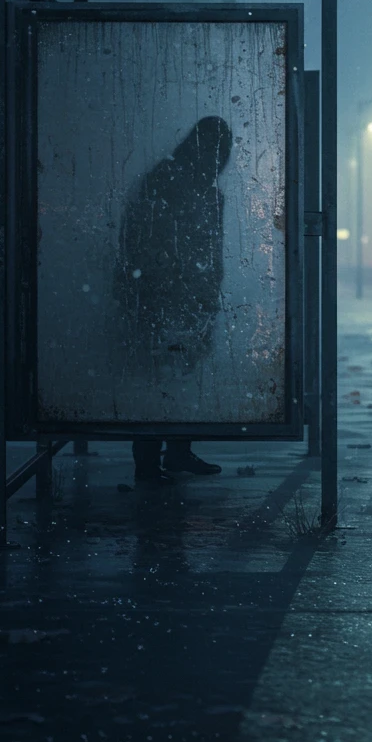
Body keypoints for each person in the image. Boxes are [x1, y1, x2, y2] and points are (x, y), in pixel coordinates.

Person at [115, 115, 232, 484]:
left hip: (189, 295)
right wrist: (158, 284)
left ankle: (175, 453)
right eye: (217, 150)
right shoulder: (168, 181)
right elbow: (144, 240)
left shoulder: (203, 189)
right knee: (157, 374)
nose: (221, 160)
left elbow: (211, 248)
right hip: (161, 293)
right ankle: (149, 463)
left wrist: (208, 290)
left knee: (181, 372)